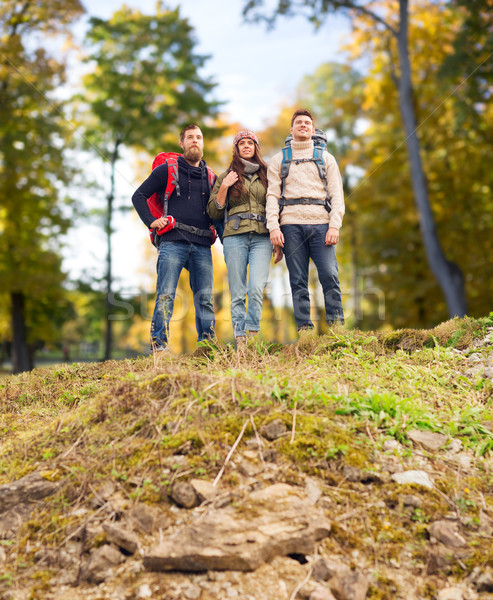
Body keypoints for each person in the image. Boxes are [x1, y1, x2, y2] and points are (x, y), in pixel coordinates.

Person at [132, 124, 216, 352]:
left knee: (205, 298)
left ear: (203, 143)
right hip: (172, 242)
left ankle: (207, 347)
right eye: (190, 137)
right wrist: (151, 221)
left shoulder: (211, 177)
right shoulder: (167, 170)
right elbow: (138, 196)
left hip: (201, 245)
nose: (195, 141)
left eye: (199, 137)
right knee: (166, 295)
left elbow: (218, 211)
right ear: (182, 144)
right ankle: (159, 347)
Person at [266, 109, 345, 334]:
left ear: (312, 129)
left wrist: (334, 225)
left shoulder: (326, 158)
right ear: (291, 130)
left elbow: (337, 195)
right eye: (299, 123)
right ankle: (305, 331)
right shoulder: (279, 159)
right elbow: (272, 195)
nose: (303, 125)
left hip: (322, 225)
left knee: (329, 275)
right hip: (290, 226)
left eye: (307, 123)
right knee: (298, 280)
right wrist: (273, 227)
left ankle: (337, 329)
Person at [207, 130, 280, 347]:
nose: (246, 146)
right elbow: (214, 212)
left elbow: (277, 206)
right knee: (237, 290)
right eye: (242, 143)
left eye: (250, 143)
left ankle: (253, 336)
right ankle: (241, 340)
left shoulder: (268, 175)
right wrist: (225, 186)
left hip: (262, 237)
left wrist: (277, 239)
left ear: (256, 147)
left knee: (256, 287)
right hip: (235, 237)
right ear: (236, 148)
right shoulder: (226, 175)